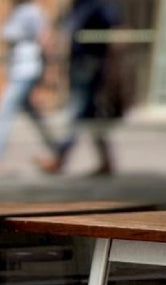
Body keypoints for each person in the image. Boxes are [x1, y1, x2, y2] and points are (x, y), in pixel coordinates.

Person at [36, 0, 123, 175]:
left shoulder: (98, 4)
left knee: (78, 111)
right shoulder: (77, 5)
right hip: (78, 63)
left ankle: (59, 158)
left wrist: (114, 68)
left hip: (91, 63)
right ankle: (106, 161)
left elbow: (116, 32)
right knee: (90, 114)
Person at [0, 0, 55, 165]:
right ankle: (58, 148)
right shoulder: (20, 11)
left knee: (5, 111)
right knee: (33, 115)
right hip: (19, 69)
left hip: (27, 69)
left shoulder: (31, 11)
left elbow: (44, 38)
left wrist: (49, 68)